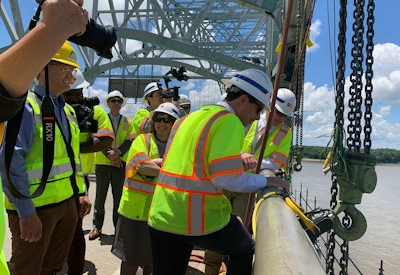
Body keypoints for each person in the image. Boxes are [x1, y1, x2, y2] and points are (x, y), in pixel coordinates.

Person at [147, 69, 290, 275]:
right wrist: (264, 181)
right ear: (243, 100)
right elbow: (225, 178)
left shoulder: (186, 119)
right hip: (196, 219)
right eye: (258, 108)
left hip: (162, 216)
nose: (257, 116)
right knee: (244, 248)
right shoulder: (229, 121)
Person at [0, 0, 88, 273]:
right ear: (44, 65)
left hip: (65, 205)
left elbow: (73, 159)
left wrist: (81, 191)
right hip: (36, 209)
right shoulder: (25, 106)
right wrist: (26, 212)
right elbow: (10, 161)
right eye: (66, 68)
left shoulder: (67, 111)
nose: (71, 77)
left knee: (53, 268)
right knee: (28, 269)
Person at [203, 88, 297, 275]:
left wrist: (251, 161)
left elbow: (277, 162)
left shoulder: (285, 133)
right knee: (213, 224)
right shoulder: (246, 118)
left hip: (246, 184)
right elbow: (225, 145)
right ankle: (211, 268)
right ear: (269, 105)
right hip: (224, 178)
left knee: (238, 228)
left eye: (285, 116)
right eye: (278, 112)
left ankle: (229, 266)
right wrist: (240, 155)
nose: (280, 119)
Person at [112, 102, 180, 275]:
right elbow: (141, 167)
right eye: (158, 119)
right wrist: (169, 170)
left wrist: (155, 164)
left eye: (167, 120)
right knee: (131, 261)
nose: (162, 124)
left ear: (174, 124)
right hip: (134, 212)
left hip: (160, 213)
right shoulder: (143, 140)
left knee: (152, 261)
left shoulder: (178, 146)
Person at [62, 69, 115, 275]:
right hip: (52, 178)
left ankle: (74, 267)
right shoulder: (54, 110)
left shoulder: (96, 112)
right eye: (70, 94)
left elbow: (107, 138)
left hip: (80, 176)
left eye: (78, 94)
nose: (74, 98)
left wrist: (70, 146)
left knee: (75, 227)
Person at [89, 90, 136, 240]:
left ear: (121, 104)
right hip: (104, 163)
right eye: (113, 100)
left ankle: (119, 227)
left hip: (120, 163)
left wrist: (118, 154)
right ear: (108, 103)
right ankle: (97, 226)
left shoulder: (128, 122)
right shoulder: (101, 119)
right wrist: (111, 155)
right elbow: (97, 138)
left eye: (118, 101)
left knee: (119, 197)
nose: (116, 103)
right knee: (100, 196)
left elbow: (130, 140)